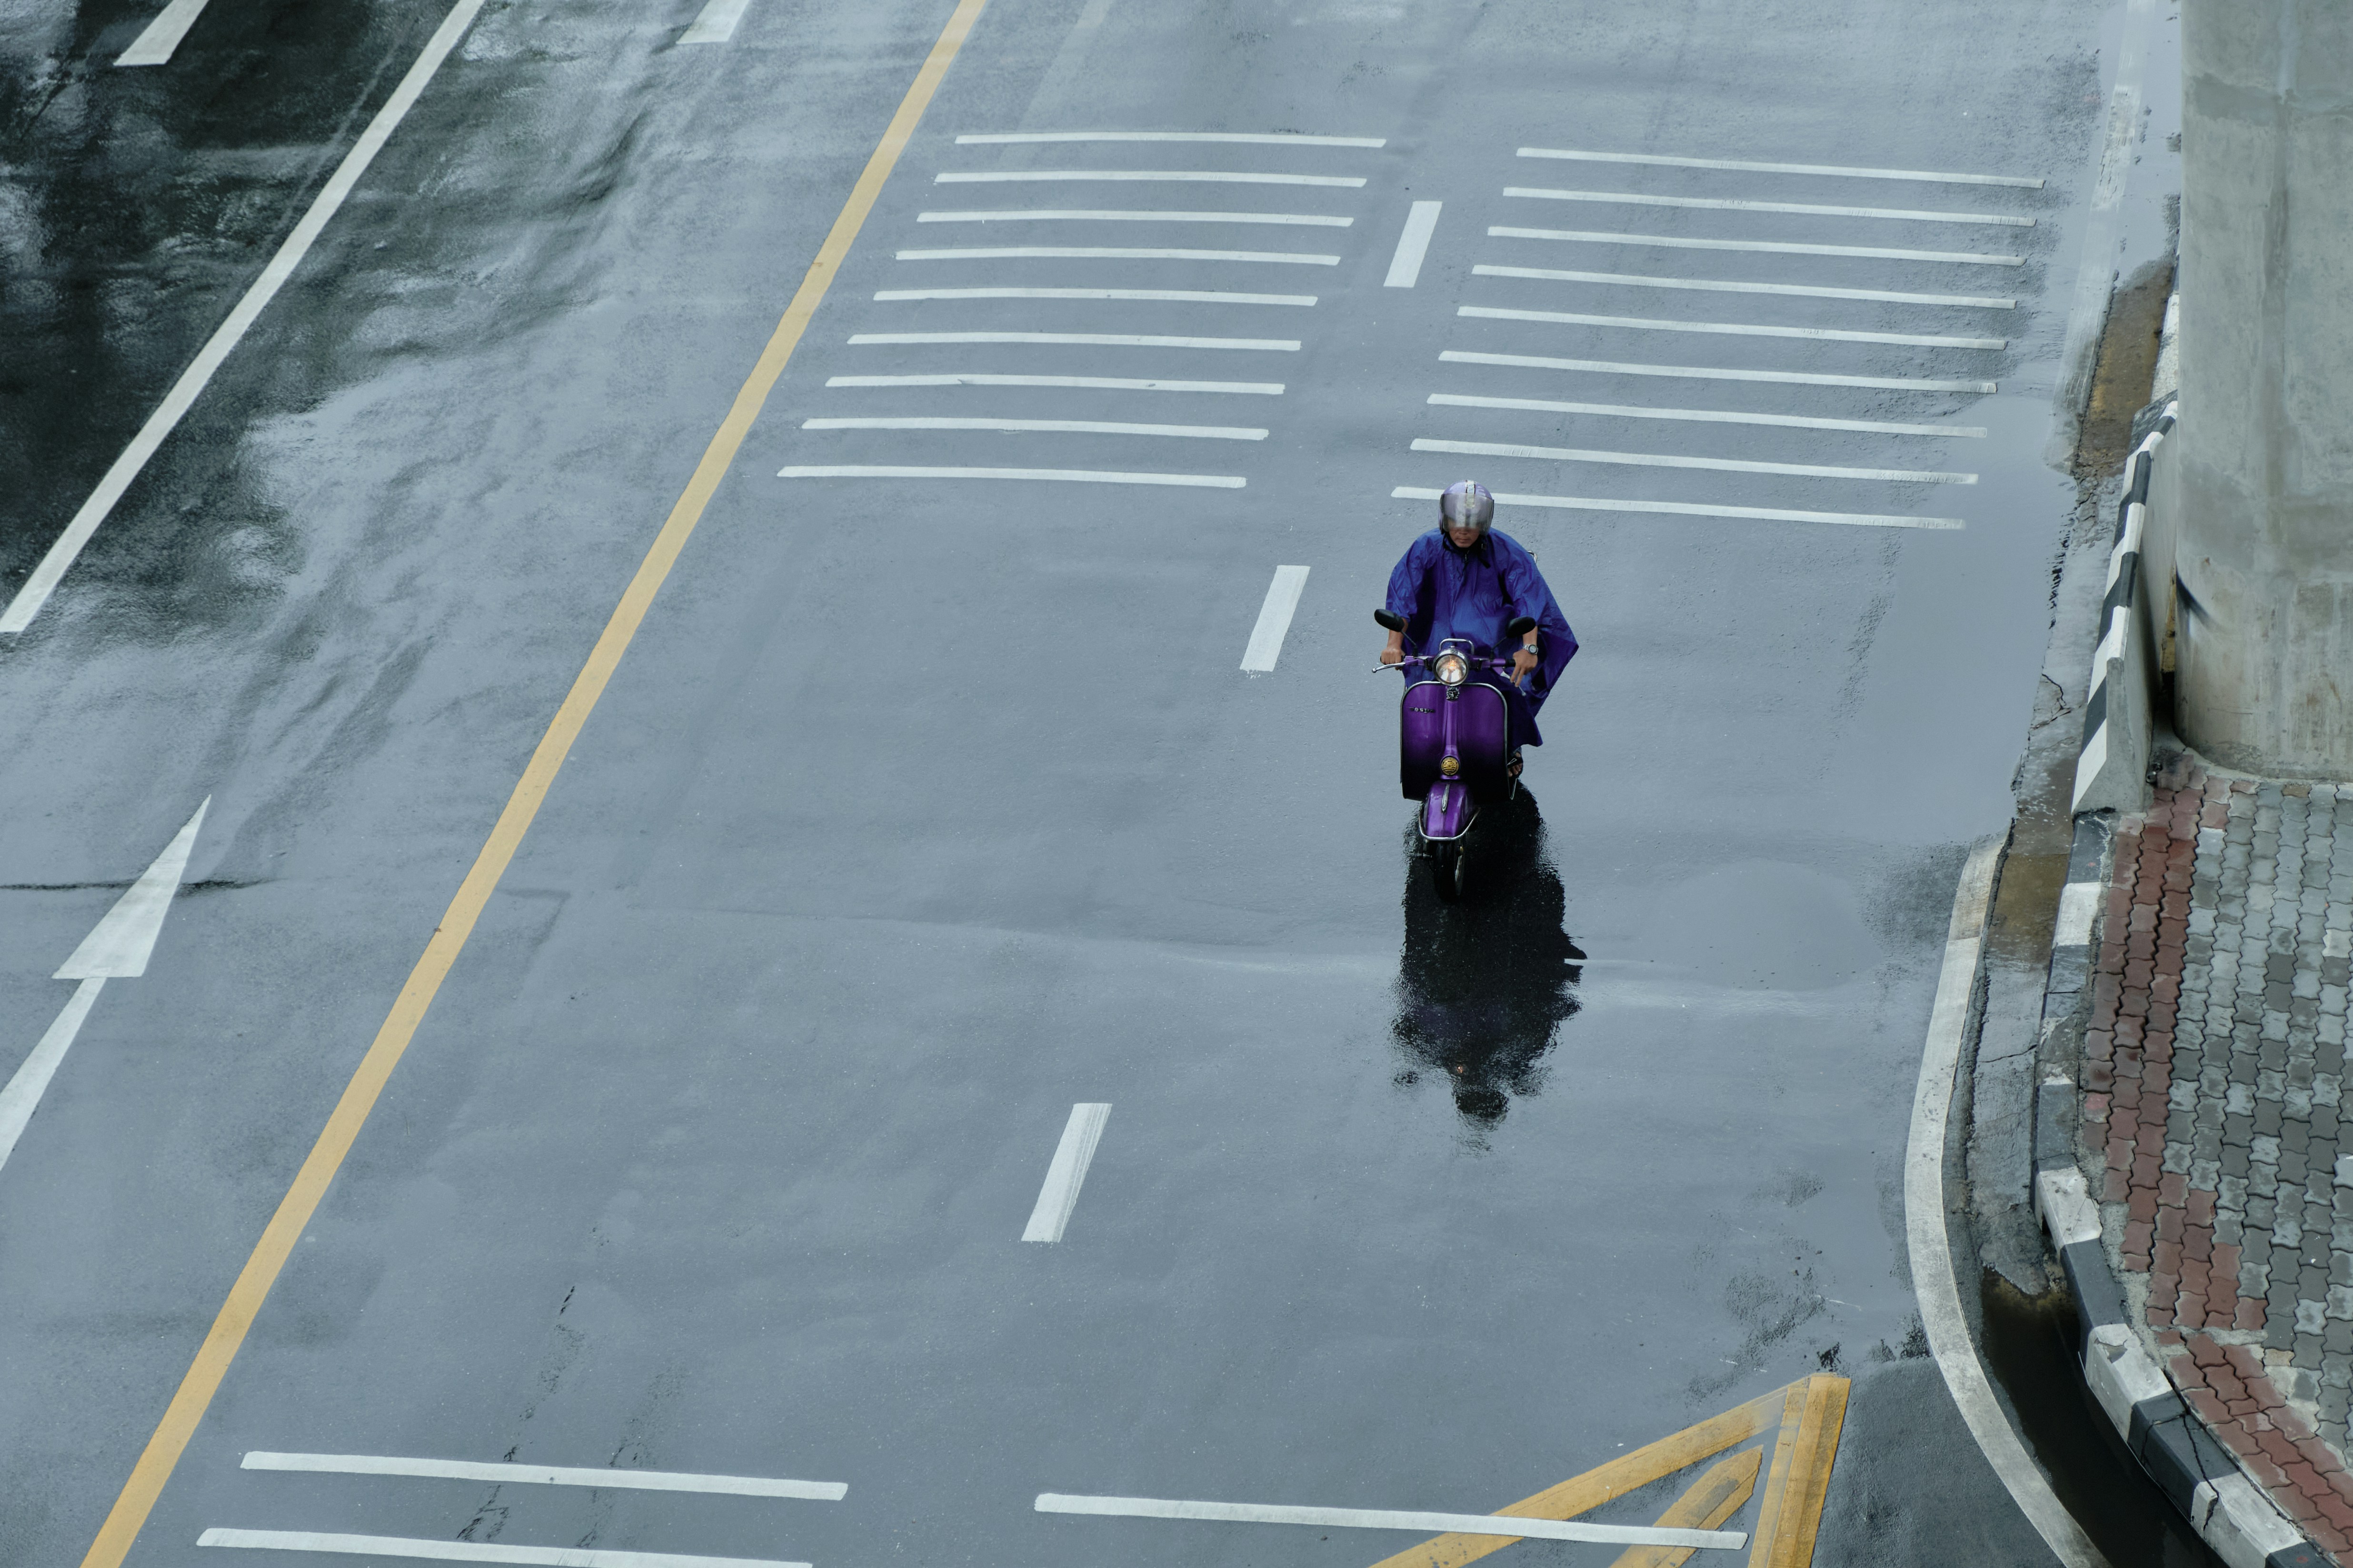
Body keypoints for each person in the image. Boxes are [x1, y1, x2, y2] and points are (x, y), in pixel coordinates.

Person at [1379, 481, 1576, 766]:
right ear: (1445, 520)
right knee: (1424, 691)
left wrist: (1529, 648)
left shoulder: (1506, 551)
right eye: (1457, 522)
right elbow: (1402, 596)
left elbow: (1529, 601)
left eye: (1472, 525)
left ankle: (1510, 745)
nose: (1463, 530)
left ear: (1483, 525)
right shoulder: (1426, 547)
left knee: (1507, 691)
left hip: (1493, 644)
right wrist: (1393, 645)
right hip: (1436, 642)